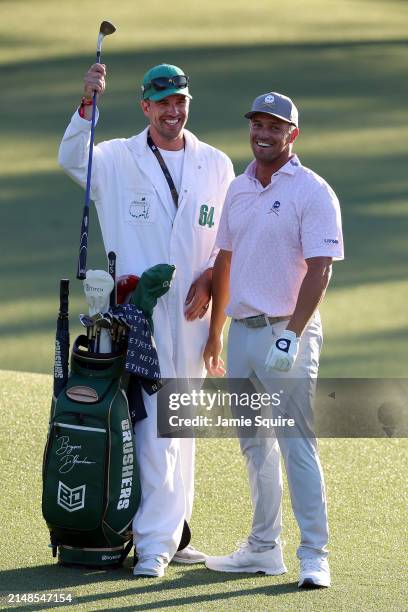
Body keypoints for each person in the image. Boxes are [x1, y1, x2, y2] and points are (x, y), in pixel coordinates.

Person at [58, 62, 234, 577]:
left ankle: (176, 533)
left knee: (183, 427)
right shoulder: (115, 158)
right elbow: (73, 159)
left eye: (179, 100)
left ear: (187, 103)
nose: (172, 110)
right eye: (162, 102)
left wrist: (208, 283)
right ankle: (154, 543)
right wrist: (87, 102)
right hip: (139, 315)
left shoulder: (217, 164)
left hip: (194, 316)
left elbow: (224, 243)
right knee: (155, 425)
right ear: (145, 107)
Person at [203, 92, 344, 588]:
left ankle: (315, 555)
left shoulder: (313, 190)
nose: (263, 133)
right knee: (253, 447)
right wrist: (216, 332)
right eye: (257, 124)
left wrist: (292, 334)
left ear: (292, 135)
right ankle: (263, 548)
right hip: (242, 333)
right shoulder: (239, 189)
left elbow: (320, 269)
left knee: (295, 444)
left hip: (289, 331)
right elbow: (225, 259)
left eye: (274, 126)